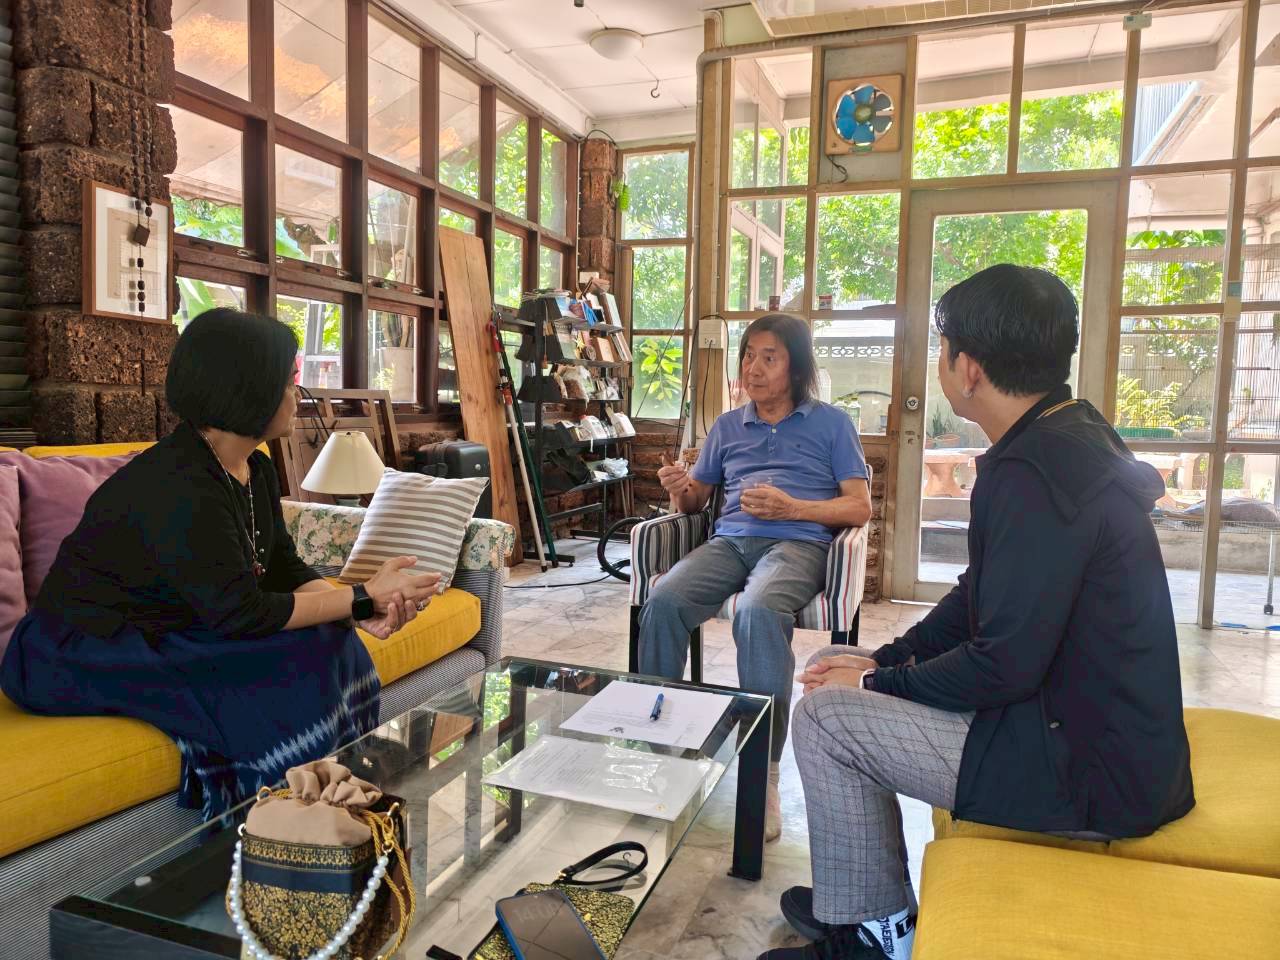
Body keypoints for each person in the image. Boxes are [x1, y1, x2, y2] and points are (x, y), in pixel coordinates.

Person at [760, 265, 1195, 960]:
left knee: (826, 717)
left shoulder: (1032, 478)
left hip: (1085, 769)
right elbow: (977, 597)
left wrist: (875, 683)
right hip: (1080, 726)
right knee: (832, 662)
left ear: (967, 369)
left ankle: (875, 937)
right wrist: (882, 658)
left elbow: (1005, 664)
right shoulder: (1062, 434)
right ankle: (860, 894)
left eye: (941, 348)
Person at [1, 309, 441, 818]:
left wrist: (361, 611)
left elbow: (285, 569)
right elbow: (240, 614)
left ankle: (334, 797)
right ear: (247, 390)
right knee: (300, 660)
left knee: (330, 637)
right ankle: (289, 813)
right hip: (76, 651)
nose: (297, 396)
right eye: (288, 382)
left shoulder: (255, 468)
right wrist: (361, 597)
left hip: (177, 624)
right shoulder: (177, 484)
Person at [640, 313, 872, 842]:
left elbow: (859, 508)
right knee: (665, 600)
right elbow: (696, 501)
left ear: (797, 368)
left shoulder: (832, 424)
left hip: (797, 544)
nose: (754, 368)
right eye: (748, 355)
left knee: (759, 609)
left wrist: (793, 507)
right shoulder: (726, 426)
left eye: (770, 357)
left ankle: (761, 771)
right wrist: (679, 486)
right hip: (729, 543)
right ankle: (663, 752)